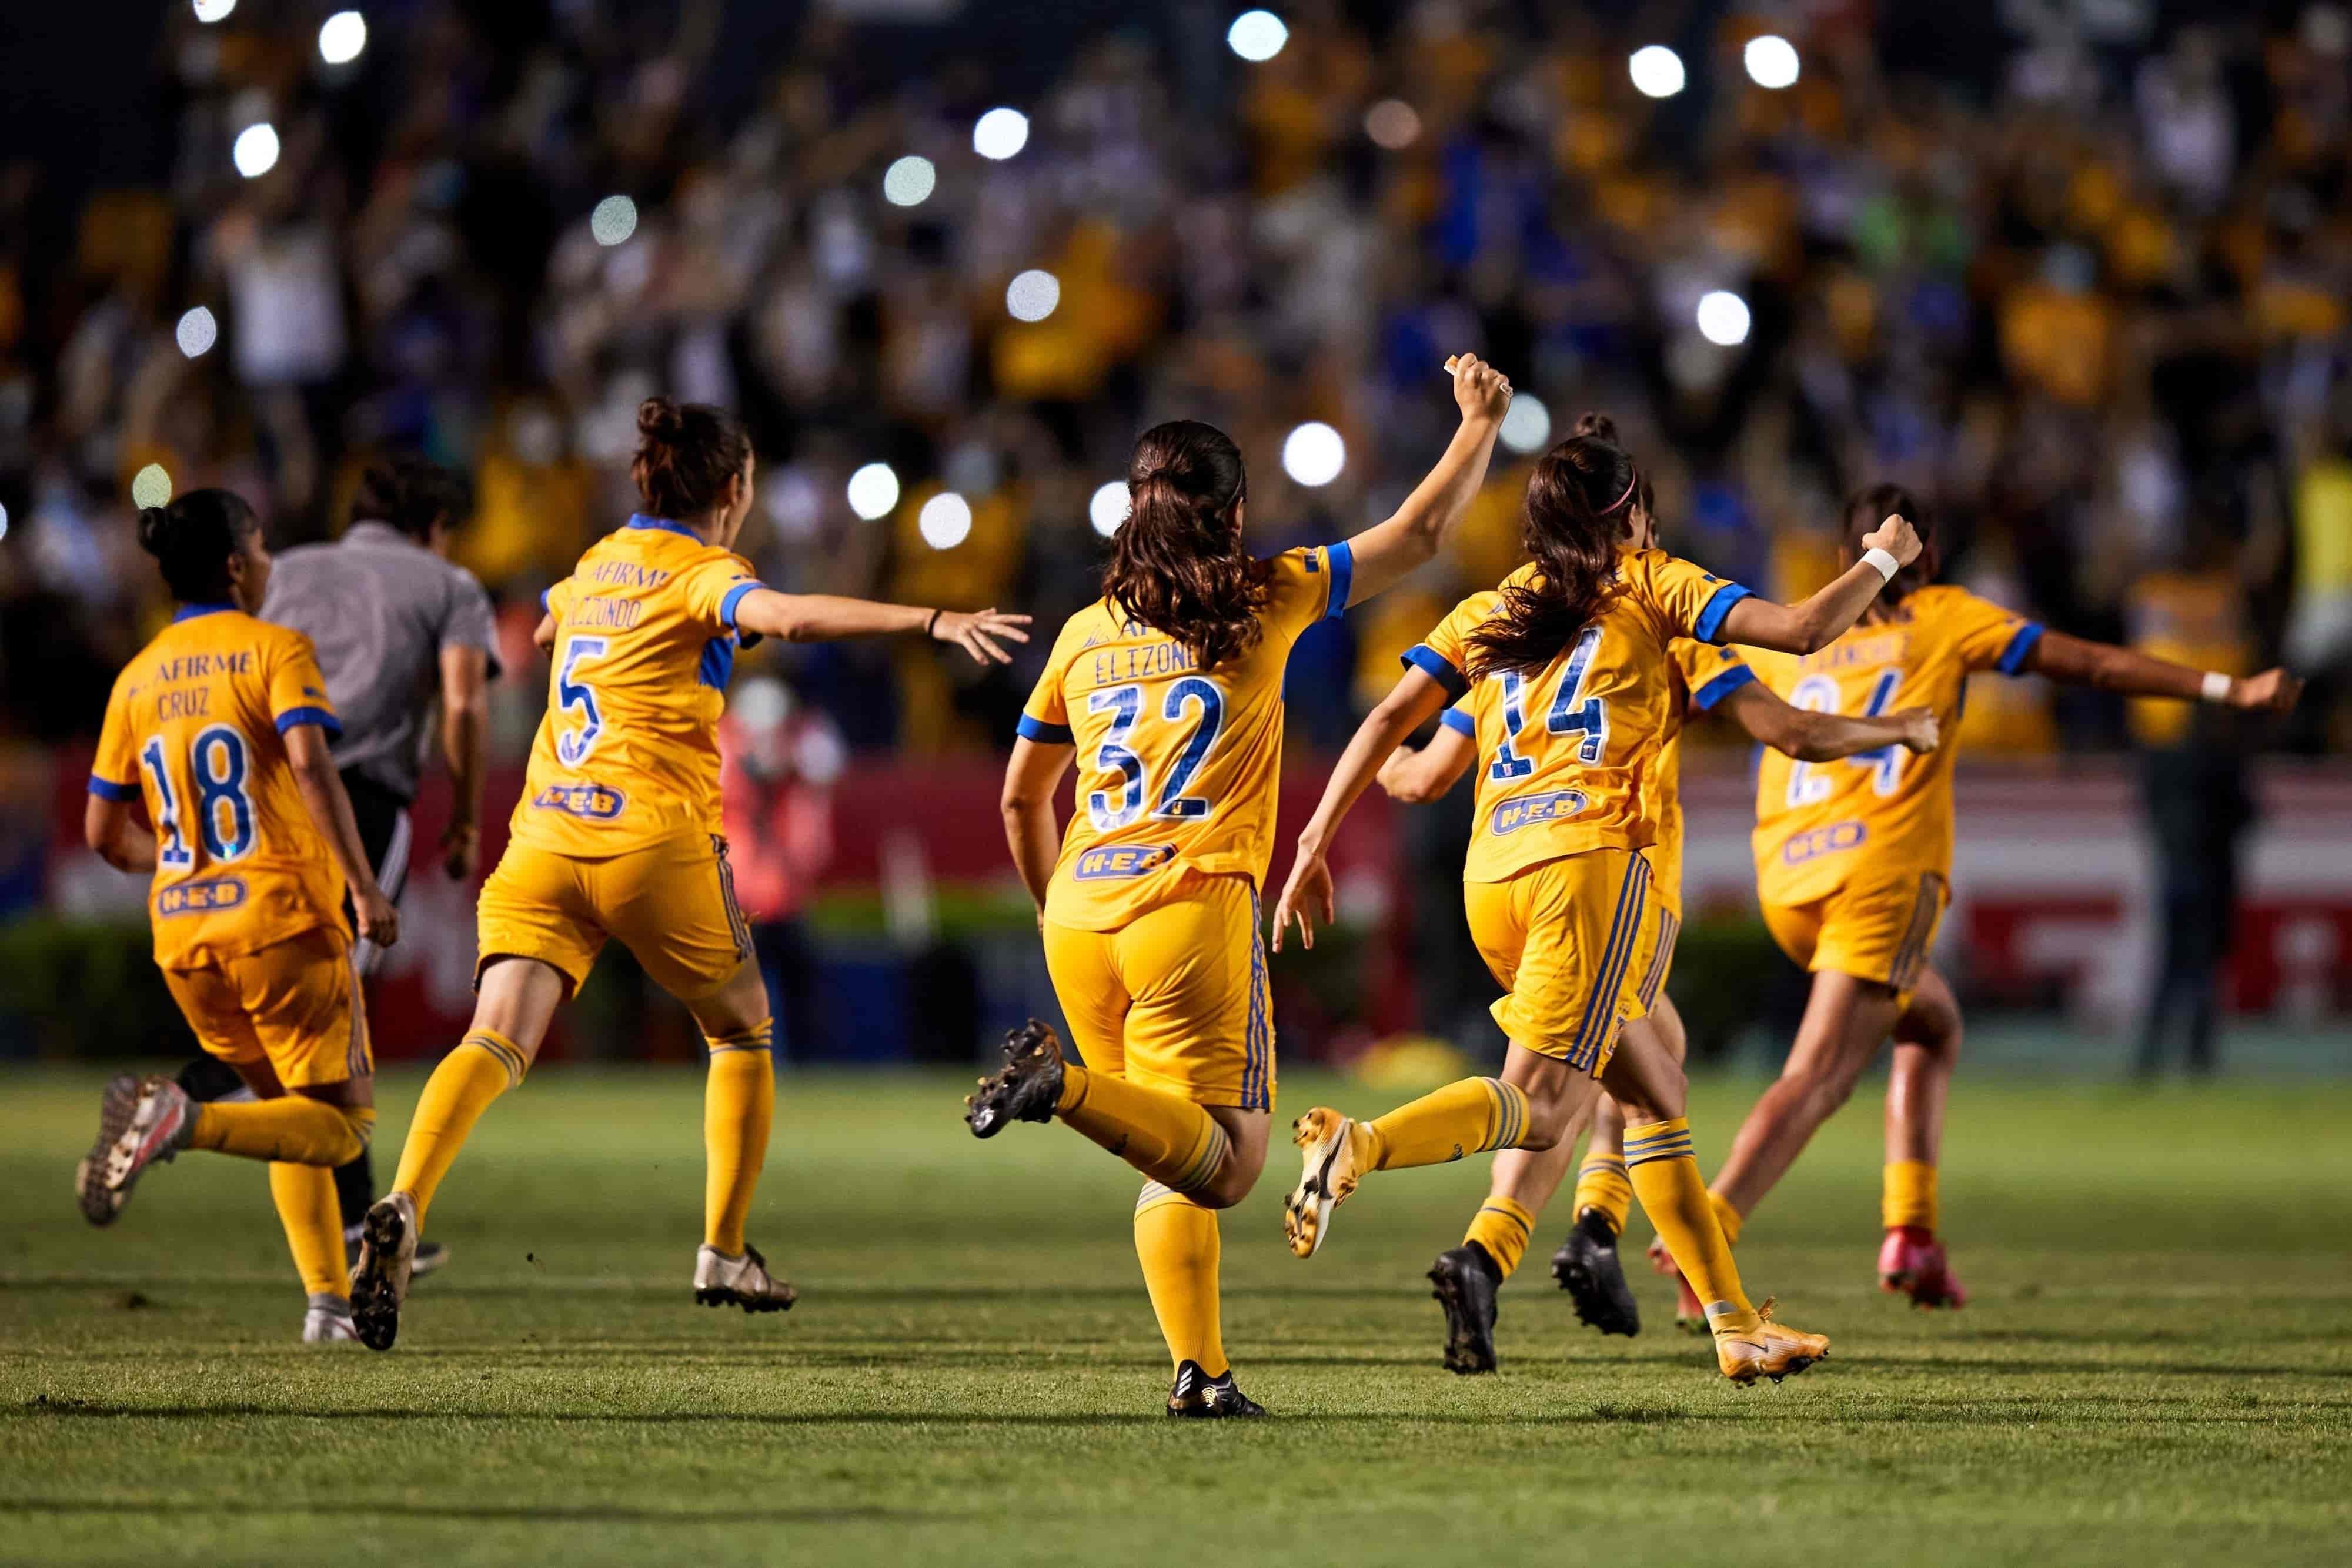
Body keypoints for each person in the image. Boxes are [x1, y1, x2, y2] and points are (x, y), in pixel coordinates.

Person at [346, 398, 1029, 1351]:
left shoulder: (597, 561)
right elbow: (788, 618)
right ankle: (723, 1249)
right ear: (735, 490)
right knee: (742, 1030)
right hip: (649, 839)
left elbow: (543, 633)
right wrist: (934, 618)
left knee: (494, 1039)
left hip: (544, 836)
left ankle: (405, 1200)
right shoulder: (706, 571)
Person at [1267, 422, 1927, 1384]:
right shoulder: (1654, 587)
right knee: (1543, 1110)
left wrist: (1312, 841)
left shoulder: (1498, 612)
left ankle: (1734, 1326)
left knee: (1656, 1091)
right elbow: (1803, 635)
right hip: (1594, 873)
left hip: (1495, 880)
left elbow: (1391, 732)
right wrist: (1882, 558)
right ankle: (1359, 1145)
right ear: (1632, 519)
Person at [967, 355, 1516, 1418]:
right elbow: (1419, 535)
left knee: (1167, 1154)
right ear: (1236, 513)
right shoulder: (1269, 592)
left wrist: (1053, 910)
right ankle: (1057, 1089)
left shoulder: (1084, 635)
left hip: (1080, 912)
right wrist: (1478, 424)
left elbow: (1019, 799)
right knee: (1225, 1166)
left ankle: (1201, 1376)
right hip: (1190, 907)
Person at [1658, 484, 2302, 1320]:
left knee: (1932, 1024)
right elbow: (2096, 665)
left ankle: (1912, 1235)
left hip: (1787, 884)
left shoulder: (1793, 635)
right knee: (1818, 1077)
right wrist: (2228, 690)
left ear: (1846, 556)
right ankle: (1706, 1232)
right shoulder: (1947, 616)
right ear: (1927, 555)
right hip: (1880, 879)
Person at [76, 489, 403, 1343]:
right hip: (282, 920)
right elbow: (312, 769)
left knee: (283, 1110)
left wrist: (181, 863)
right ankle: (181, 1118)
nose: (268, 562)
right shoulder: (274, 649)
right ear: (233, 565)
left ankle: (327, 1305)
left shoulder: (137, 676)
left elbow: (103, 834)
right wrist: (364, 888)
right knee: (342, 1128)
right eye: (260, 547)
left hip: (186, 942)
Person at [173, 454, 495, 1280]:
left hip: (262, 795)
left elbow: (222, 656)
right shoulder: (448, 583)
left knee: (325, 1012)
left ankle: (354, 1225)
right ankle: (176, 1104)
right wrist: (464, 817)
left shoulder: (286, 569)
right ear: (435, 526)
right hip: (360, 801)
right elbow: (464, 703)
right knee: (326, 1011)